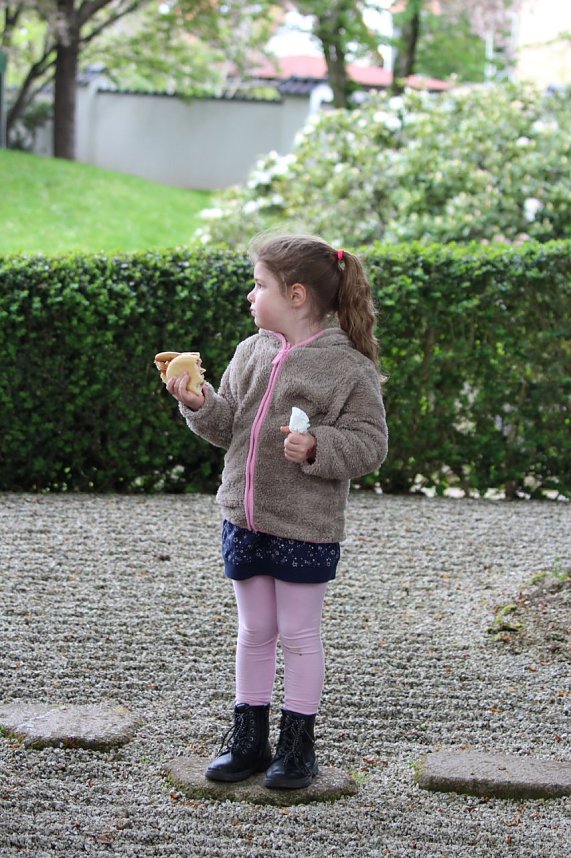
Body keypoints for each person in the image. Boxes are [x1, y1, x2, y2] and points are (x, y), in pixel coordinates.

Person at [165, 232, 388, 790]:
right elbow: (228, 427)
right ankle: (247, 739)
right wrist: (200, 404)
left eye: (258, 285)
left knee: (298, 633)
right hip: (243, 520)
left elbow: (371, 445)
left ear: (295, 294)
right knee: (254, 629)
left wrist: (318, 449)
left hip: (305, 528)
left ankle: (297, 745)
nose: (250, 295)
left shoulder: (347, 369)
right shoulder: (251, 351)